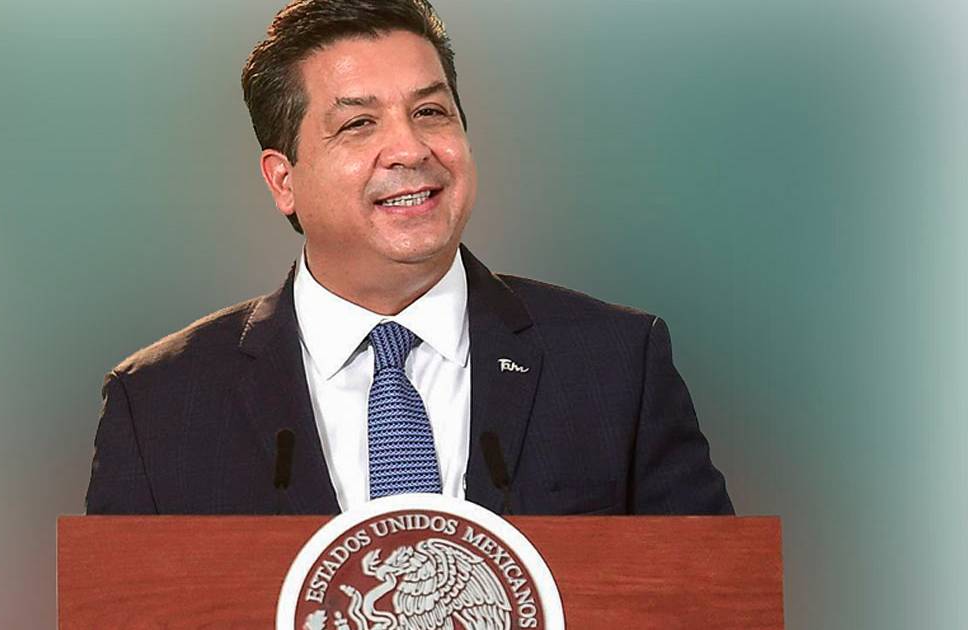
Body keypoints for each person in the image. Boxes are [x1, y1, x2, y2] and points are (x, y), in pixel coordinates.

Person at [85, 0, 733, 516]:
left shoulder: (616, 364)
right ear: (284, 180)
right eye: (358, 123)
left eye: (430, 111)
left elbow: (710, 601)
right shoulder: (159, 404)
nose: (410, 148)